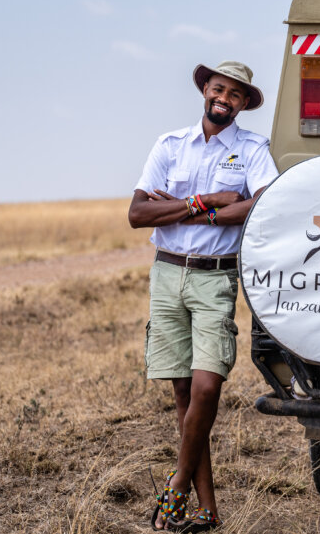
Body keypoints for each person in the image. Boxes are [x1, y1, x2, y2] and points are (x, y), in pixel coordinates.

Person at [128, 61, 278, 531]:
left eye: (235, 94)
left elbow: (265, 201)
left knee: (206, 388)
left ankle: (176, 489)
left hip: (215, 279)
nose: (224, 99)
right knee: (183, 396)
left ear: (243, 104)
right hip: (168, 276)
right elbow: (136, 213)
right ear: (205, 91)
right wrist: (206, 201)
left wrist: (183, 212)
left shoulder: (253, 148)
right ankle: (208, 511)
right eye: (219, 89)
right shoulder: (170, 145)